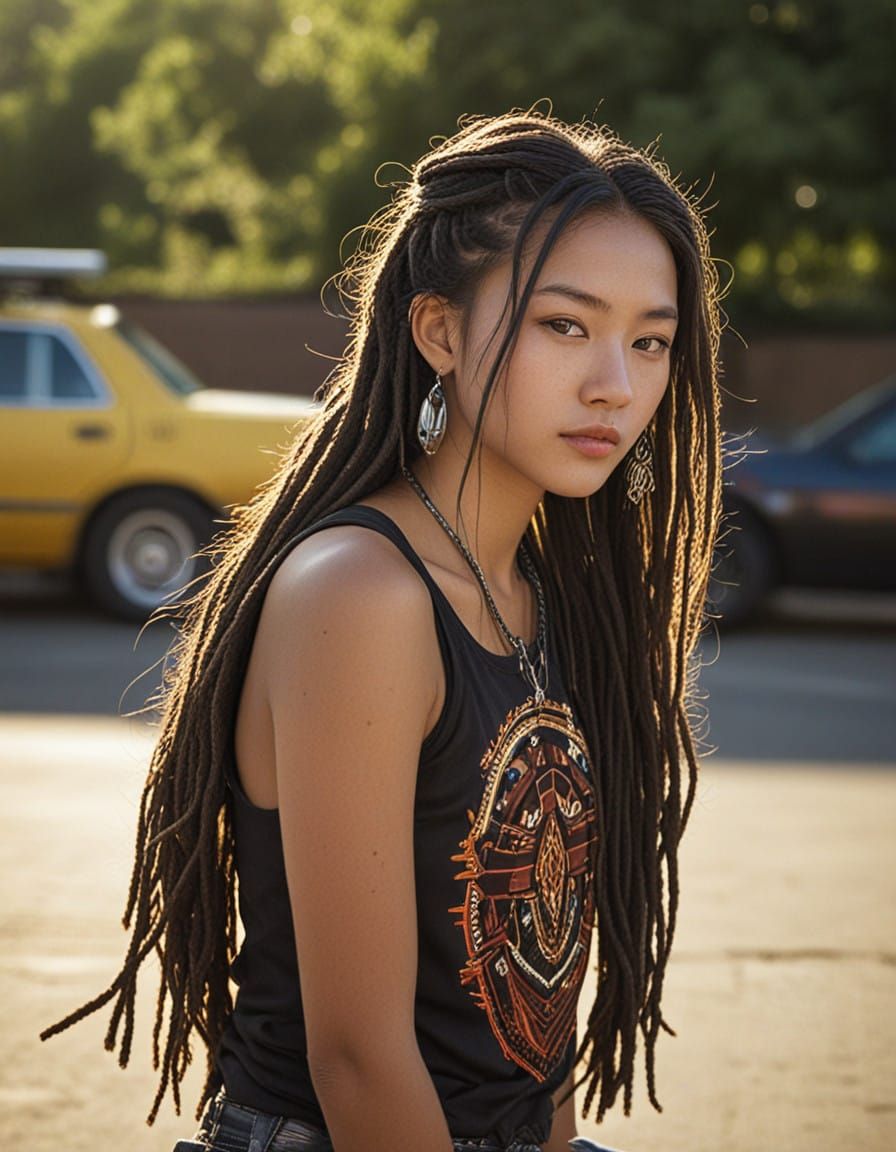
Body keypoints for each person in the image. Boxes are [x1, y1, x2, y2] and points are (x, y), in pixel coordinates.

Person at [42, 108, 722, 1152]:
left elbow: (532, 1024)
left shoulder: (555, 595)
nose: (614, 386)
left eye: (649, 341)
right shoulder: (360, 593)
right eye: (564, 326)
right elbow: (357, 1059)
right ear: (440, 331)